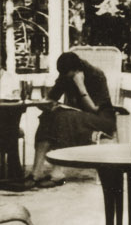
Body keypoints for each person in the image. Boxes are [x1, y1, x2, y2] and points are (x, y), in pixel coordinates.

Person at [29, 50, 117, 185]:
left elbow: (94, 109)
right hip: (77, 117)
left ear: (77, 70)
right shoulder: (66, 75)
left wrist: (80, 86)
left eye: (68, 75)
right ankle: (36, 172)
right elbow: (51, 97)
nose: (65, 77)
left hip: (101, 119)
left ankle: (57, 172)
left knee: (63, 117)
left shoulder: (96, 75)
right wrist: (45, 105)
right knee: (48, 116)